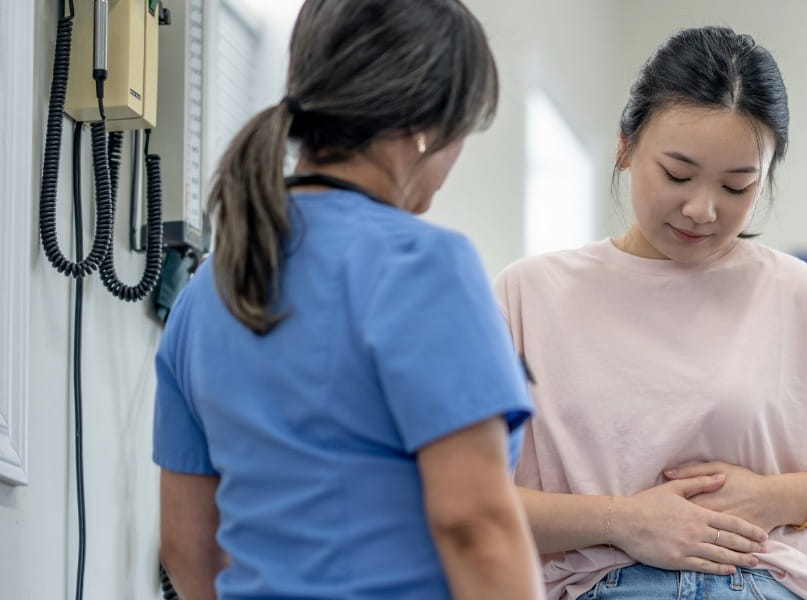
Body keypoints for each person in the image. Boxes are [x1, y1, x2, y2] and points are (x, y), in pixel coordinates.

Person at [495, 25, 807, 600]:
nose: (702, 209)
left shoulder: (802, 296)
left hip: (766, 582)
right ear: (625, 145)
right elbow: (467, 500)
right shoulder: (528, 295)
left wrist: (778, 498)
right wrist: (623, 520)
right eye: (677, 174)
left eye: (738, 186)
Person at [152, 1, 541, 598]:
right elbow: (475, 525)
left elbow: (187, 549)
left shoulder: (206, 293)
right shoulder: (424, 267)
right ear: (426, 126)